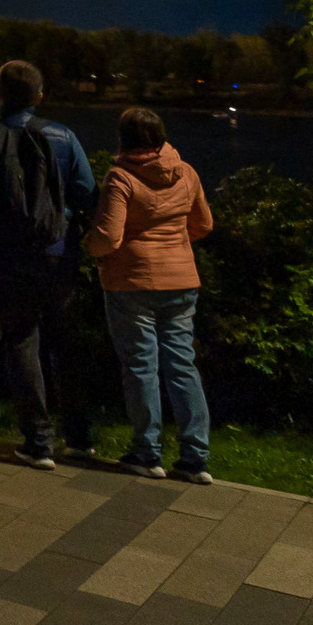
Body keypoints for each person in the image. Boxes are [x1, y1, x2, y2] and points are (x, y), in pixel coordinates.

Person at [0, 59, 99, 468]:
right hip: (58, 253)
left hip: (8, 256)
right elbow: (88, 193)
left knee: (21, 341)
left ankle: (39, 440)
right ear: (39, 96)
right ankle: (80, 438)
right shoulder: (64, 137)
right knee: (63, 342)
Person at [84, 107, 215, 484]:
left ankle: (147, 452)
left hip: (132, 283)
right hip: (181, 281)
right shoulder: (186, 172)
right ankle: (195, 458)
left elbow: (108, 236)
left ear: (123, 138)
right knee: (182, 365)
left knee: (141, 367)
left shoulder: (121, 177)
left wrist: (89, 246)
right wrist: (173, 244)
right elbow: (203, 224)